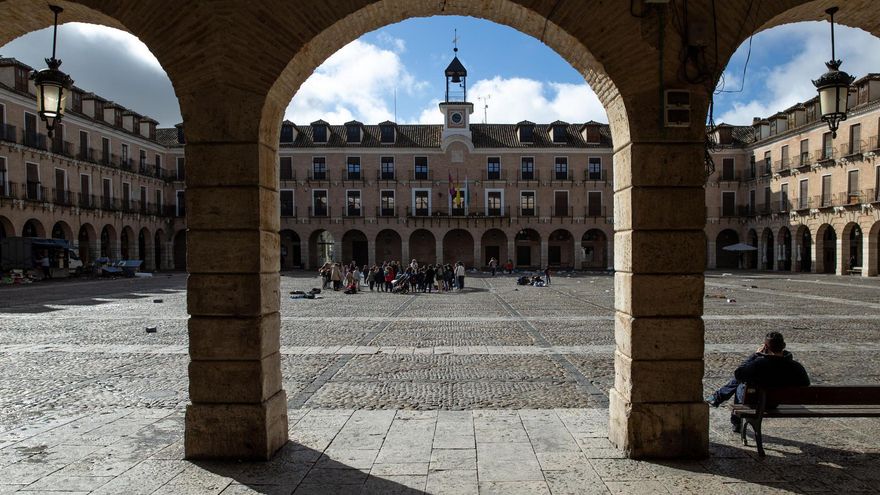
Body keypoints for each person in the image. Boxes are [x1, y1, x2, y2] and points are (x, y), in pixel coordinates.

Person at [706, 331, 810, 433]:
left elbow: (738, 373)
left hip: (755, 402)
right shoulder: (796, 366)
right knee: (742, 380)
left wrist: (755, 355)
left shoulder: (758, 364)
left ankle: (734, 420)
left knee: (740, 383)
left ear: (765, 346)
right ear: (784, 345)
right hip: (775, 403)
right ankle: (717, 398)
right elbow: (806, 384)